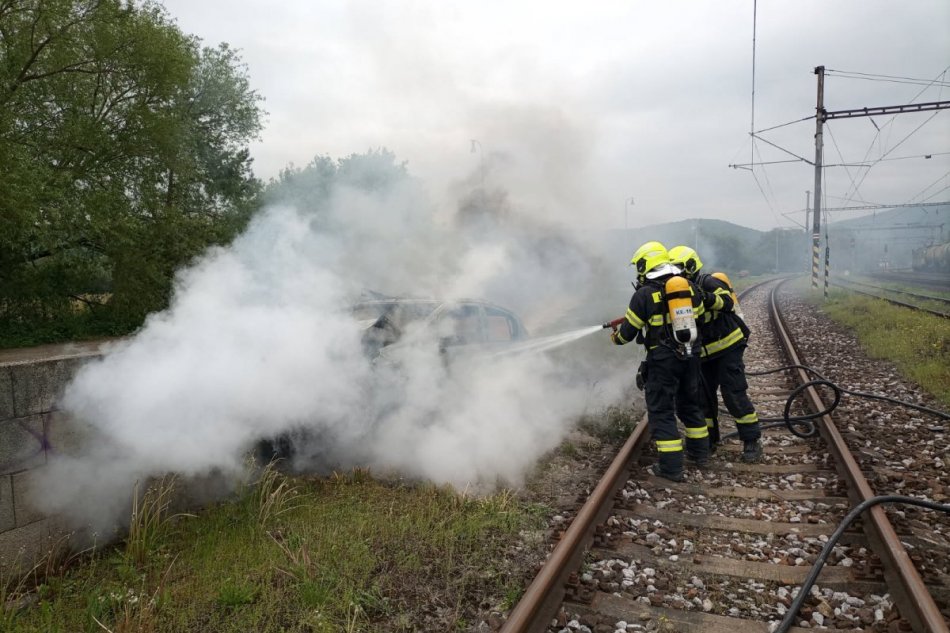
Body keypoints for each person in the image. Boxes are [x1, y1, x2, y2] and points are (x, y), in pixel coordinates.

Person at [610, 241, 710, 482]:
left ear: (646, 264)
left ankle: (671, 467)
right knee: (690, 404)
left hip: (663, 361)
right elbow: (703, 318)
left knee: (662, 410)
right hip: (691, 355)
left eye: (639, 266)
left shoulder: (644, 294)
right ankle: (700, 454)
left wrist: (615, 337)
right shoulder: (689, 288)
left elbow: (628, 333)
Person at [668, 245, 762, 463]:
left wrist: (706, 297)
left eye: (679, 269)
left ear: (691, 266)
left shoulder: (708, 282)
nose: (676, 274)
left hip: (728, 347)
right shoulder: (679, 290)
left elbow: (727, 302)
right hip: (703, 354)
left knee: (733, 394)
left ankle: (751, 441)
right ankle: (710, 441)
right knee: (703, 398)